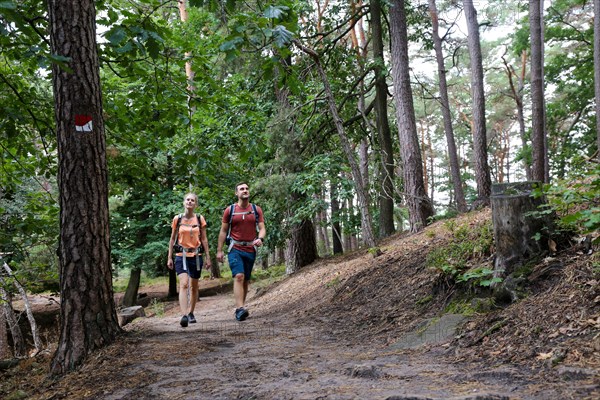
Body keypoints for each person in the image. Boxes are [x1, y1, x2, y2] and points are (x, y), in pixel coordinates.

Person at [217, 182, 266, 321]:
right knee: (239, 276)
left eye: (246, 188)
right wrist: (219, 250)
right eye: (241, 189)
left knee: (245, 280)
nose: (245, 191)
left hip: (250, 248)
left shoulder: (256, 209)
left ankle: (241, 307)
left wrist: (260, 238)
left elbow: (262, 228)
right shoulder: (230, 210)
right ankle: (239, 309)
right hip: (235, 248)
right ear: (236, 193)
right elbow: (223, 231)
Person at [167, 193, 211, 327]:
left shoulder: (199, 218)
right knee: (184, 284)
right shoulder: (177, 219)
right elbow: (172, 239)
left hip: (196, 256)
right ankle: (184, 315)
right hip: (181, 256)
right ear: (184, 202)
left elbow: (204, 239)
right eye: (188, 200)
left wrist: (208, 257)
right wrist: (169, 257)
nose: (190, 202)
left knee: (194, 286)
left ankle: (191, 312)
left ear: (195, 204)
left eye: (192, 200)